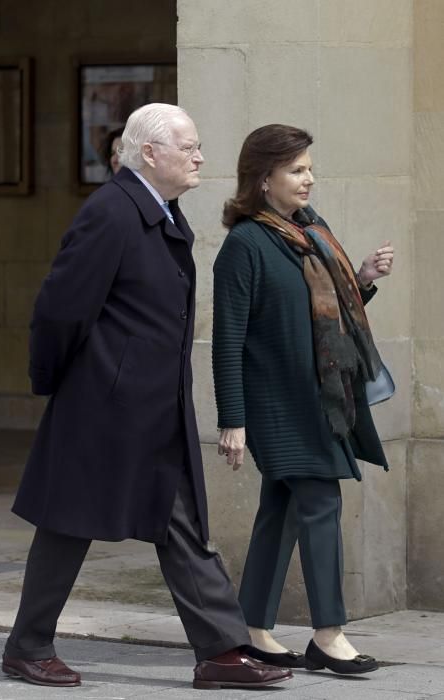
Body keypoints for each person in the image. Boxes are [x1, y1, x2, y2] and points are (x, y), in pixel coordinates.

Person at [1, 105, 293, 691]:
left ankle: (220, 651)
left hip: (154, 407)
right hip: (104, 405)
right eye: (190, 148)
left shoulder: (160, 210)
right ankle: (27, 646)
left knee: (180, 521)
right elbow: (59, 311)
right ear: (151, 153)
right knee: (67, 522)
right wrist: (59, 384)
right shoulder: (112, 213)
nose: (201, 158)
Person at [212, 124, 394, 675]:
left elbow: (323, 312)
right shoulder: (243, 245)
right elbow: (227, 339)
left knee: (283, 508)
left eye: (310, 167)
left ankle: (253, 626)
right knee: (320, 503)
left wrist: (360, 279)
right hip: (275, 403)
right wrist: (232, 421)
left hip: (320, 396)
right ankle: (328, 634)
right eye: (296, 170)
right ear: (263, 179)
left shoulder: (312, 231)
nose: (308, 178)